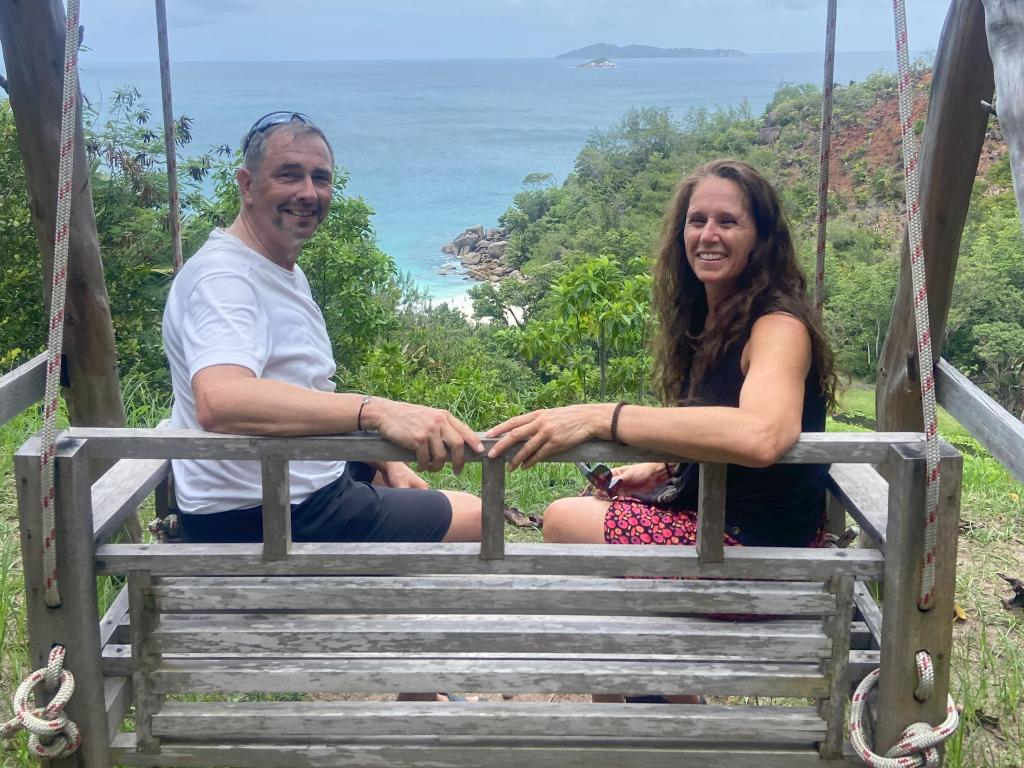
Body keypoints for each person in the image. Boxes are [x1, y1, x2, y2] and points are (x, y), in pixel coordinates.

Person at [487, 158, 836, 702]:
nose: (708, 235)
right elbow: (717, 426)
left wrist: (606, 417)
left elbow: (763, 434)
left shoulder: (777, 326)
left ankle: (642, 699)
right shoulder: (712, 321)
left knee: (561, 519)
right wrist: (669, 467)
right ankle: (652, 696)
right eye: (697, 221)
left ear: (761, 238)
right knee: (597, 512)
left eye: (728, 222)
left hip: (757, 560)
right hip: (726, 531)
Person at [162, 111, 482, 547]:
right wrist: (375, 411)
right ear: (247, 184)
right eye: (289, 175)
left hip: (286, 484)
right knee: (478, 517)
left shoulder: (275, 268)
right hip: (265, 516)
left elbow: (291, 391)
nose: (308, 192)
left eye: (320, 178)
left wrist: (369, 457)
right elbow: (221, 399)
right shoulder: (225, 279)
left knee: (400, 477)